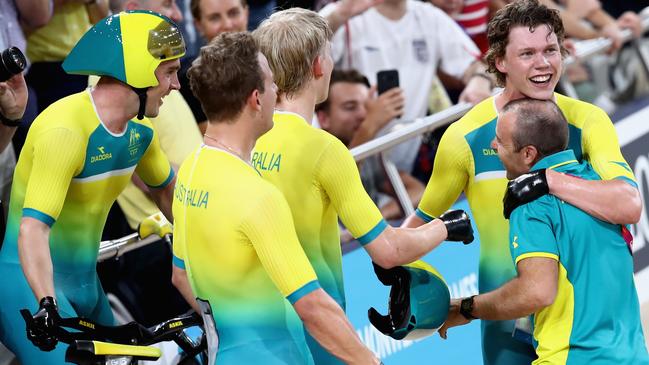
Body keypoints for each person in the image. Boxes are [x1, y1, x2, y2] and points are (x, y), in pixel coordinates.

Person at [401, 1, 641, 364]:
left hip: (577, 324)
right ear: (500, 62)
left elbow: (629, 203)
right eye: (527, 53)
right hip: (504, 318)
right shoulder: (464, 138)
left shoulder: (587, 121)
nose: (543, 63)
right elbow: (413, 232)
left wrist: (547, 180)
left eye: (550, 50)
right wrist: (416, 291)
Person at [253, 8, 474, 365]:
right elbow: (387, 251)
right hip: (318, 319)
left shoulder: (248, 139)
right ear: (319, 66)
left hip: (258, 324)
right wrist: (444, 227)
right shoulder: (323, 148)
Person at [171, 31, 381, 365]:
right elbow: (312, 306)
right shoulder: (258, 196)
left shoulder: (190, 170)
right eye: (271, 84)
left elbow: (180, 275)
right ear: (256, 98)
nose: (277, 91)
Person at [0, 10, 182, 363]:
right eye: (169, 72)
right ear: (139, 71)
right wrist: (45, 302)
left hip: (87, 285)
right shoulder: (65, 130)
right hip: (30, 289)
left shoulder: (140, 133)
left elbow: (168, 194)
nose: (176, 85)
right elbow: (33, 228)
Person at [440, 98, 649, 364]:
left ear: (528, 154)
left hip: (572, 357)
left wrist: (467, 307)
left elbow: (536, 291)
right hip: (632, 355)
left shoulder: (530, 204)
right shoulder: (601, 186)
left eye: (499, 141)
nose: (493, 145)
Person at [101, 0, 201, 326]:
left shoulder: (153, 81)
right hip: (155, 243)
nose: (175, 13)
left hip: (182, 229)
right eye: (166, 3)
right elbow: (140, 175)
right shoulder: (115, 91)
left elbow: (167, 180)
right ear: (133, 8)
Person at [320, 0, 493, 176]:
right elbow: (299, 50)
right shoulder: (345, 12)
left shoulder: (429, 16)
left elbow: (476, 65)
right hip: (352, 157)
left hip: (403, 165)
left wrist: (479, 80)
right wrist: (340, 15)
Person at [315, 69, 423, 220]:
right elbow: (339, 183)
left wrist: (379, 216)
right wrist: (369, 127)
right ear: (323, 118)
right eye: (350, 107)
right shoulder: (315, 155)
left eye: (367, 107)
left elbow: (417, 190)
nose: (363, 115)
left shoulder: (370, 151)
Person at [181, 0, 249, 133]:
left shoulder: (272, 61)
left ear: (246, 13)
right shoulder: (190, 78)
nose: (227, 25)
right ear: (198, 25)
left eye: (234, 13)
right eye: (215, 18)